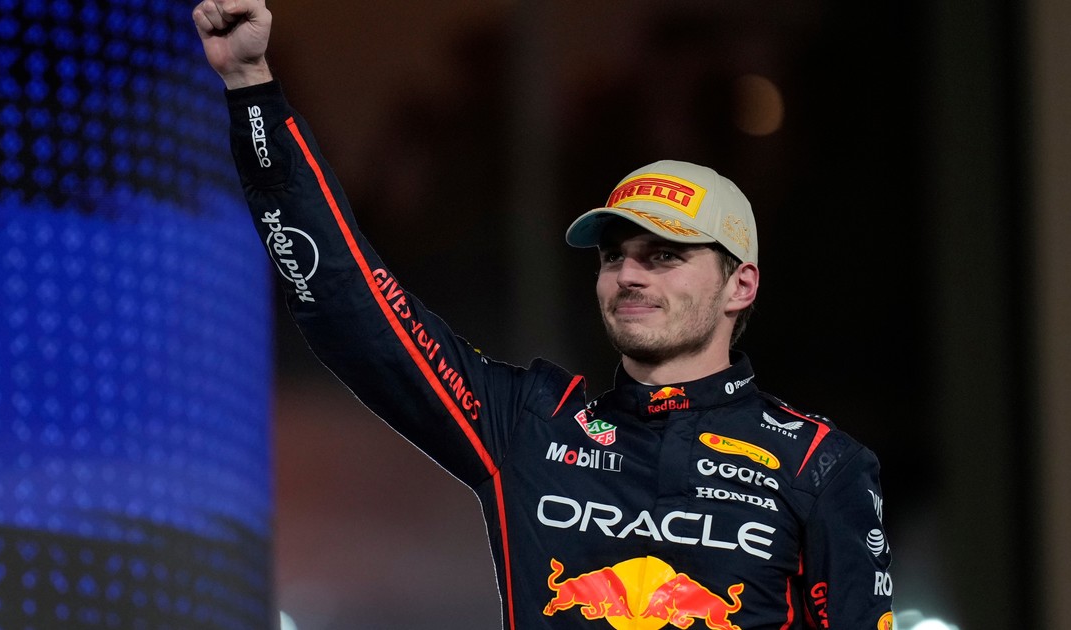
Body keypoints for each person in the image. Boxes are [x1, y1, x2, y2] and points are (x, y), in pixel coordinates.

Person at [193, 1, 895, 628]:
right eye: (615, 256)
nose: (628, 275)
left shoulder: (819, 465)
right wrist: (252, 87)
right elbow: (355, 311)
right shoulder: (533, 425)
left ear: (740, 286)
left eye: (664, 256)